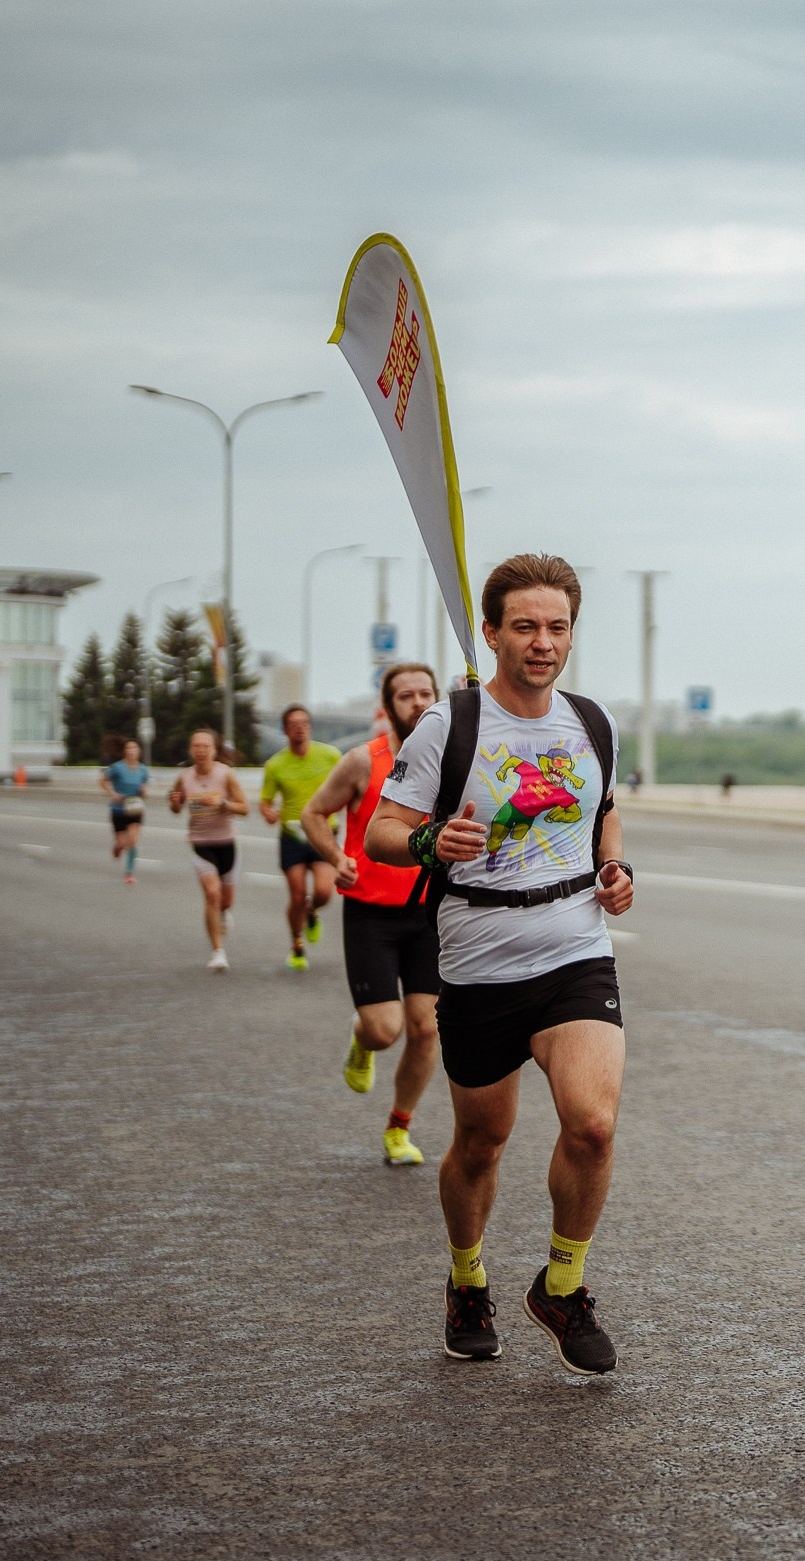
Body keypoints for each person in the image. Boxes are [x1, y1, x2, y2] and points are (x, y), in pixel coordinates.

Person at [367, 554, 633, 1376]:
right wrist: (427, 841)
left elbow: (604, 812)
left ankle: (563, 1284)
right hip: (479, 959)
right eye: (524, 626)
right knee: (483, 1143)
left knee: (591, 1123)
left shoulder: (592, 722)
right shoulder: (450, 726)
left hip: (573, 945)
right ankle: (467, 1278)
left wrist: (615, 871)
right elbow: (382, 830)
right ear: (490, 633)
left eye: (557, 627)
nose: (543, 642)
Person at [303, 663, 444, 1167]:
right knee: (386, 1030)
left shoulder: (455, 757)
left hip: (430, 911)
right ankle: (362, 1039)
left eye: (426, 692)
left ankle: (399, 1127)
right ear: (387, 708)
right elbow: (313, 813)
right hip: (371, 913)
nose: (418, 703)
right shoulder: (363, 761)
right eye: (406, 695)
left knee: (426, 1028)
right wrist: (335, 856)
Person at [259, 705, 342, 971]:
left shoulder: (330, 755)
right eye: (293, 724)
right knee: (296, 895)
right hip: (292, 835)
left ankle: (312, 911)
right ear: (284, 730)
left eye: (304, 723)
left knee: (323, 891)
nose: (300, 727)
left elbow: (348, 785)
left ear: (310, 726)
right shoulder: (275, 765)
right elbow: (265, 801)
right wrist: (269, 813)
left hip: (323, 832)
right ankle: (296, 945)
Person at [167, 728, 247, 971]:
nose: (201, 751)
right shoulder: (185, 777)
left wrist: (222, 803)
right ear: (191, 750)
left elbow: (244, 808)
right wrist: (174, 802)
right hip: (200, 843)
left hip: (227, 843)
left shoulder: (226, 775)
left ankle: (223, 913)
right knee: (212, 893)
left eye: (206, 746)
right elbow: (176, 805)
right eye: (196, 746)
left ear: (214, 750)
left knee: (226, 900)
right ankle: (218, 951)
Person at [101, 738, 151, 883]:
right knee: (122, 843)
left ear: (138, 751)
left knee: (133, 841)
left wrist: (144, 791)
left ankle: (129, 873)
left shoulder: (143, 770)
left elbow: (145, 790)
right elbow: (103, 781)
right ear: (125, 752)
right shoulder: (117, 767)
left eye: (134, 748)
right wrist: (113, 794)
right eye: (128, 748)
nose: (131, 751)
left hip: (135, 808)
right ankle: (117, 848)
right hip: (119, 809)